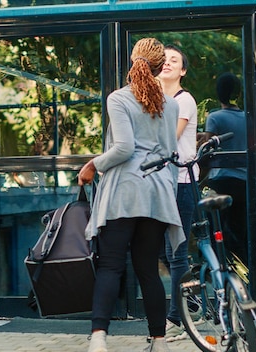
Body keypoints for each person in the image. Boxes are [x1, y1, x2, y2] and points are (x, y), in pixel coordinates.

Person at [78, 37, 184, 352]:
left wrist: (93, 165)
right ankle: (160, 342)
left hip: (124, 192)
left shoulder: (119, 98)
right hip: (157, 193)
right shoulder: (172, 103)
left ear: (133, 62)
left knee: (111, 265)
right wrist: (168, 191)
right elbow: (169, 154)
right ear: (157, 66)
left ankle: (99, 338)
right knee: (148, 270)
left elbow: (123, 149)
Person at [156, 44, 199, 342]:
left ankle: (178, 319)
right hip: (161, 184)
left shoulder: (183, 101)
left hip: (182, 182)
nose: (168, 64)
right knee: (162, 252)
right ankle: (191, 296)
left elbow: (170, 140)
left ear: (182, 70)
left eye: (175, 61)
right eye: (165, 60)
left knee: (176, 252)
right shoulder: (157, 99)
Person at [199, 72, 248, 266]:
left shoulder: (215, 117)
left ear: (219, 94)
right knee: (240, 230)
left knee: (214, 227)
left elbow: (207, 150)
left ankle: (218, 266)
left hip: (222, 181)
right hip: (243, 183)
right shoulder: (248, 117)